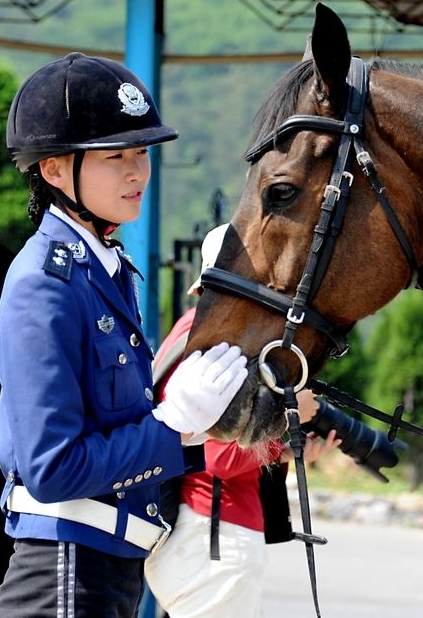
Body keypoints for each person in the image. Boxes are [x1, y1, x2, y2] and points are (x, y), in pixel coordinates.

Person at [0, 52, 249, 617]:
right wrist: (171, 426)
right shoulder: (45, 282)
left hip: (107, 569)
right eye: (115, 157)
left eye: (142, 153)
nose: (137, 172)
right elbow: (52, 467)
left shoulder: (106, 269)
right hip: (64, 573)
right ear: (55, 169)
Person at [143, 227, 341, 618]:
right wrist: (288, 418)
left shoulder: (191, 332)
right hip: (216, 539)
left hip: (206, 538)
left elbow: (210, 447)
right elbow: (221, 458)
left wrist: (283, 452)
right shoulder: (217, 346)